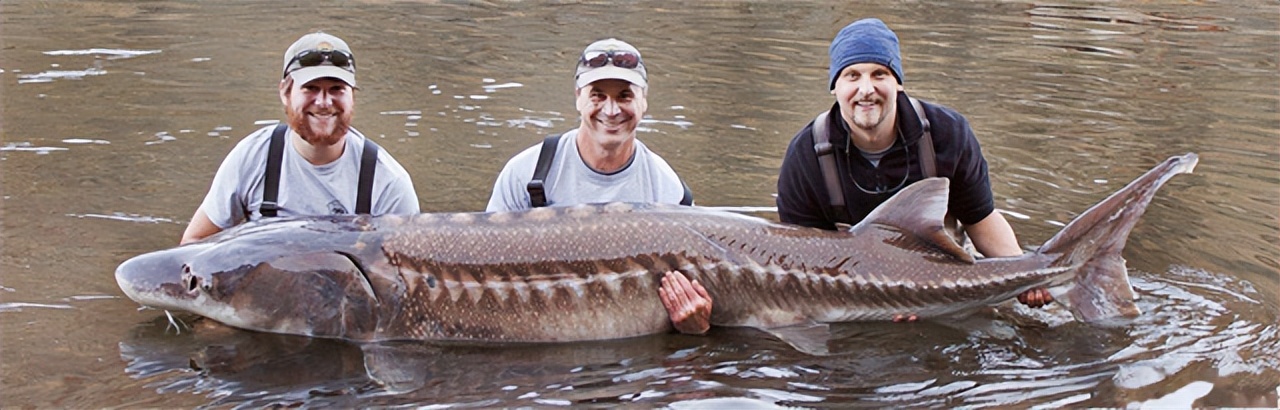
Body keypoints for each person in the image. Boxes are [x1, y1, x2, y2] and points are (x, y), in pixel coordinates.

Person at [775, 18, 1053, 312]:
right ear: (835, 86)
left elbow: (979, 218)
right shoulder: (806, 154)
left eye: (879, 74)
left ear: (898, 82)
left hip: (941, 278)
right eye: (852, 76)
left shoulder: (947, 132)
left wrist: (1027, 273)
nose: (866, 89)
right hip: (856, 291)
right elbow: (800, 260)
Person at [485, 38, 711, 334]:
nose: (612, 109)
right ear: (578, 97)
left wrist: (698, 324)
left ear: (644, 102)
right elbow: (484, 266)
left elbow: (696, 295)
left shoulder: (669, 191)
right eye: (598, 95)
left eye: (625, 96)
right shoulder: (526, 174)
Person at [180, 32, 419, 245]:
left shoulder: (389, 183)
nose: (324, 103)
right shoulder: (250, 159)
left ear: (352, 98)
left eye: (336, 89)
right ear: (285, 93)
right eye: (311, 88)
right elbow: (194, 243)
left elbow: (410, 275)